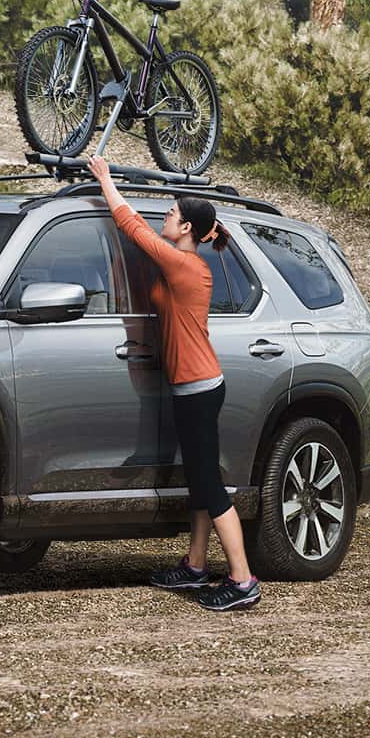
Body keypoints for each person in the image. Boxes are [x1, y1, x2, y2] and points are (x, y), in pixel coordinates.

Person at [87, 155, 260, 612]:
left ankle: (243, 579)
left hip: (199, 388)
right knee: (201, 480)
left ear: (185, 229)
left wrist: (105, 179)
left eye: (170, 214)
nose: (163, 218)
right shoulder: (183, 263)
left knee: (209, 487)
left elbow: (131, 225)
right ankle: (196, 565)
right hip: (195, 387)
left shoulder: (183, 264)